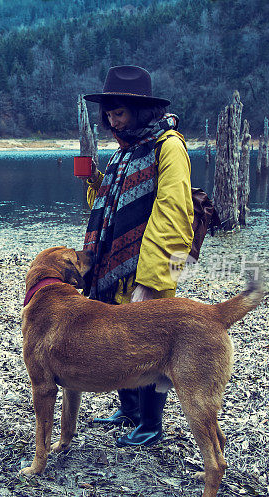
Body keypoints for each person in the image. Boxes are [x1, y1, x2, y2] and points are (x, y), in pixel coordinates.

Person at [80, 65, 194, 447]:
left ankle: (150, 424)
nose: (113, 120)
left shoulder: (169, 146)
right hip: (113, 264)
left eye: (120, 113)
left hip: (149, 265)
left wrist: (152, 279)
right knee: (116, 339)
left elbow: (174, 213)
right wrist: (96, 181)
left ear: (140, 110)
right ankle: (128, 411)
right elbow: (112, 206)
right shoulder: (126, 150)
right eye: (109, 113)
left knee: (151, 343)